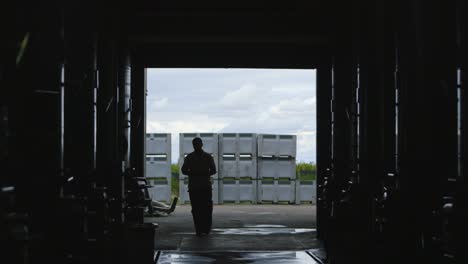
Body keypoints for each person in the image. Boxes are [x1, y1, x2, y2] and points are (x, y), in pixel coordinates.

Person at [181, 137, 217, 237]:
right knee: (199, 209)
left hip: (199, 187)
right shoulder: (204, 157)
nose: (196, 146)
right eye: (195, 144)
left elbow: (214, 170)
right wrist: (201, 173)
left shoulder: (192, 157)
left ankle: (204, 229)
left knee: (203, 209)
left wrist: (196, 173)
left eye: (197, 144)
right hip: (199, 187)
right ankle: (201, 230)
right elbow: (183, 170)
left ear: (201, 145)